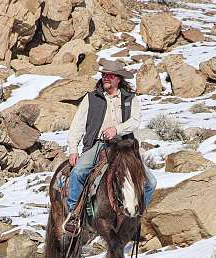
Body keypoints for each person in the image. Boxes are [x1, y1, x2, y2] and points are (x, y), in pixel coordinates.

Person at [63, 59, 157, 234]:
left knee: (150, 182)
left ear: (118, 79)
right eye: (104, 75)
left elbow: (135, 121)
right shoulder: (91, 98)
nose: (106, 78)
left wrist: (117, 129)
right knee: (78, 172)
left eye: (110, 75)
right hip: (99, 144)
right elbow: (77, 125)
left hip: (125, 146)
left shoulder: (131, 99)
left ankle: (135, 216)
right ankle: (74, 214)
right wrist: (73, 149)